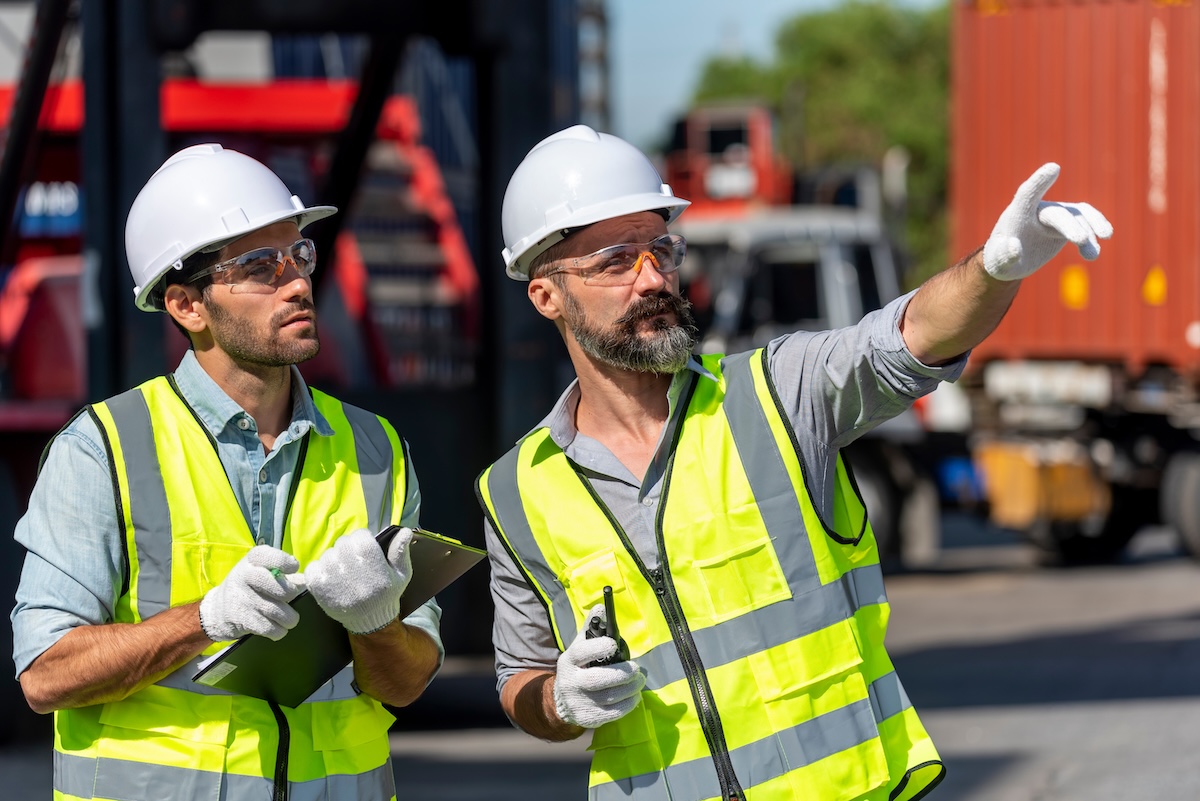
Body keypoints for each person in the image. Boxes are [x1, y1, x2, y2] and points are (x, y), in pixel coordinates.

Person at [475, 125, 1112, 801]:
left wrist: (992, 270)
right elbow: (520, 676)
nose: (654, 277)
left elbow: (913, 335)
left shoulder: (776, 393)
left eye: (661, 249)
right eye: (615, 261)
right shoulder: (517, 490)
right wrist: (561, 702)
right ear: (546, 296)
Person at [10, 143, 443, 801]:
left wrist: (375, 621)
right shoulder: (102, 449)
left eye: (298, 255)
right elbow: (45, 675)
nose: (297, 281)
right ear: (187, 305)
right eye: (260, 267)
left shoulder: (375, 447)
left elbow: (407, 682)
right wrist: (204, 619)